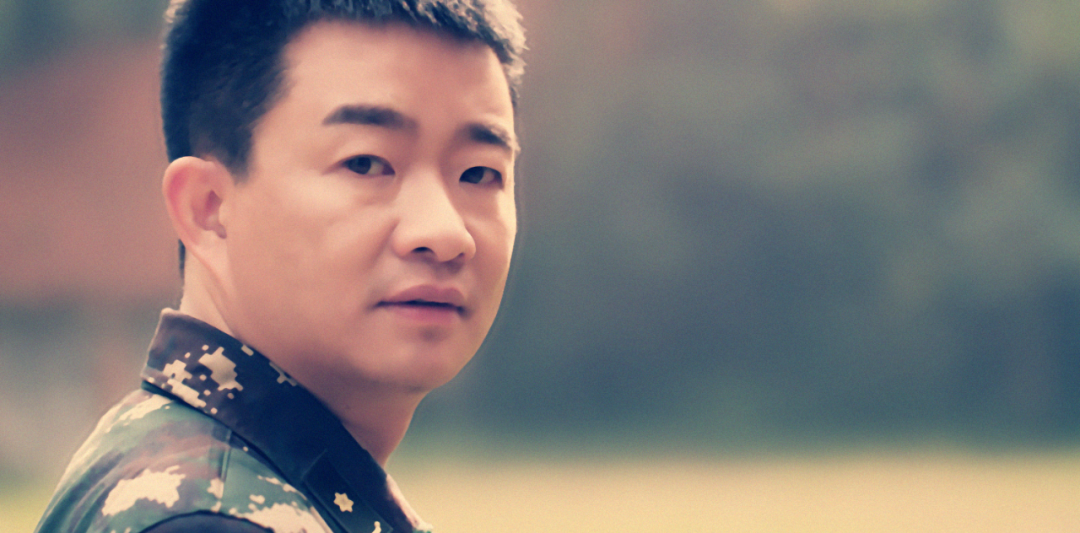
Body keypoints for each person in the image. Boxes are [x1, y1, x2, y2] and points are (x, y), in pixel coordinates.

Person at [35, 0, 525, 531]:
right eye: (366, 163)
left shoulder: (185, 460)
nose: (445, 233)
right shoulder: (209, 519)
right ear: (209, 210)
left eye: (479, 173)